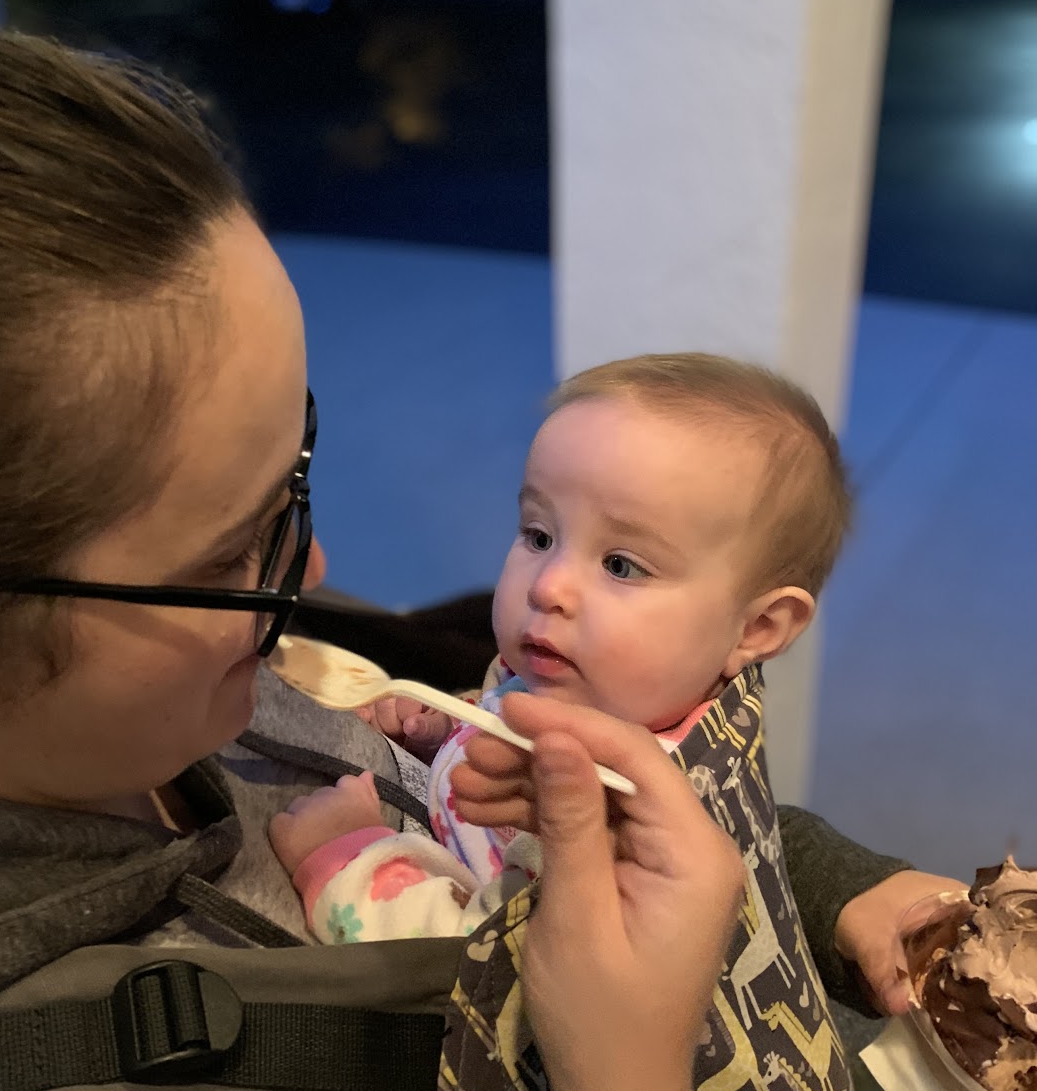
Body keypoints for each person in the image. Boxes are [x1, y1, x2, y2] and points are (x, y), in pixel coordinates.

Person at [0, 12, 957, 1091]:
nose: (312, 573)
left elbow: (712, 811)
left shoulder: (172, 693)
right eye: (233, 551)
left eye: (298, 473)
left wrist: (837, 890)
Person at [269, 353, 853, 940]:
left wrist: (347, 858)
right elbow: (508, 703)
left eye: (621, 565)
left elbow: (482, 962)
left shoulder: (620, 833)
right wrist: (449, 734)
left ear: (756, 629)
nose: (548, 587)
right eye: (539, 535)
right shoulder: (595, 682)